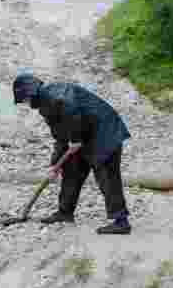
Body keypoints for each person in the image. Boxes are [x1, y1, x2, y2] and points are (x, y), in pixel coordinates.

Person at [12, 73, 132, 234]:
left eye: (24, 99)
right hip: (85, 135)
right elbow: (60, 136)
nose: (25, 103)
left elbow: (73, 112)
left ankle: (121, 221)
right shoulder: (45, 105)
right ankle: (64, 212)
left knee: (107, 177)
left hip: (105, 133)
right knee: (71, 171)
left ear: (30, 94)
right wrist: (55, 164)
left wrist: (75, 139)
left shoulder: (57, 95)